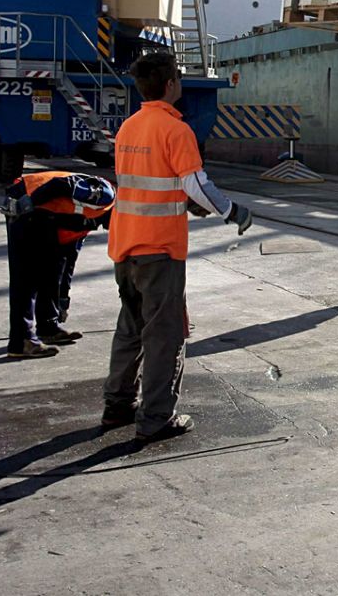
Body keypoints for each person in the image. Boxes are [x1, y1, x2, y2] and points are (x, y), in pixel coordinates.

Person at [103, 51, 253, 443]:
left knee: (130, 329)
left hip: (125, 245)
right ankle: (156, 418)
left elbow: (146, 182)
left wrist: (186, 203)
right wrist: (231, 211)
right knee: (165, 335)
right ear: (171, 84)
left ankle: (117, 405)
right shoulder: (176, 130)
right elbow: (195, 183)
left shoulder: (128, 128)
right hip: (161, 251)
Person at [0, 170, 116, 359]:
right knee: (26, 277)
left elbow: (67, 262)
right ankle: (21, 341)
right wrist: (28, 203)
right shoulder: (105, 196)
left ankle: (48, 327)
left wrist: (63, 301)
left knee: (52, 269)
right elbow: (60, 185)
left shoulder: (88, 220)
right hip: (26, 201)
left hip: (44, 217)